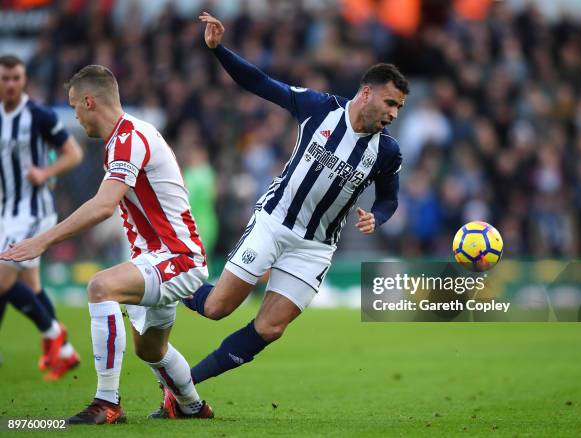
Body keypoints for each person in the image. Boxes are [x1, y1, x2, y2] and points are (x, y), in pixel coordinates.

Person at [160, 12, 408, 413]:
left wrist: (376, 218)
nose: (394, 114)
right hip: (275, 223)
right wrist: (218, 49)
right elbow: (259, 82)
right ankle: (158, 284)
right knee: (217, 308)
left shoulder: (387, 151)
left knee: (271, 327)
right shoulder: (319, 108)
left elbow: (389, 199)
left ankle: (183, 386)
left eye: (399, 107)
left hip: (315, 247)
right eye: (391, 102)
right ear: (367, 93)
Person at [0, 65, 213, 424]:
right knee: (151, 349)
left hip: (176, 257)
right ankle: (191, 405)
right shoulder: (124, 138)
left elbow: (103, 206)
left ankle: (107, 402)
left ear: (88, 101)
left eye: (74, 108)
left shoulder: (129, 138)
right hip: (159, 256)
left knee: (101, 287)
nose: (75, 117)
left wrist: (42, 240)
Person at [0, 54, 82, 380]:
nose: (10, 85)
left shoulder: (38, 115)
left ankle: (53, 334)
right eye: (4, 79)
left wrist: (45, 171)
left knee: (2, 280)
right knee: (30, 286)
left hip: (34, 212)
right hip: (7, 212)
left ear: (24, 80)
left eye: (15, 78)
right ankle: (65, 352)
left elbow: (73, 154)